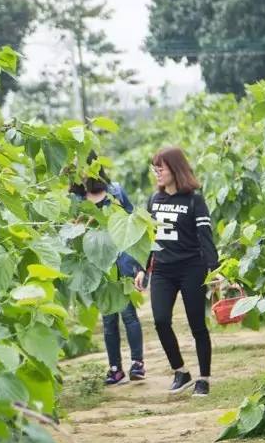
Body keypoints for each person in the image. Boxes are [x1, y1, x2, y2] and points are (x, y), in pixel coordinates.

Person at [133, 146, 218, 396]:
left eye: (162, 168)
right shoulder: (153, 200)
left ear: (175, 169)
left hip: (192, 268)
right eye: (155, 168)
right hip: (162, 270)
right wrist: (141, 269)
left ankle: (203, 378)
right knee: (160, 321)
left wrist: (215, 271)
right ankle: (181, 371)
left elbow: (206, 237)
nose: (157, 172)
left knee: (197, 325)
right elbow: (147, 238)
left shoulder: (194, 200)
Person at [70, 173, 146, 385]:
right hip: (98, 264)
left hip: (121, 260)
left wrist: (139, 266)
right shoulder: (76, 200)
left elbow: (134, 226)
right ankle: (115, 369)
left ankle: (137, 364)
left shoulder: (115, 191)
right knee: (108, 320)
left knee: (129, 314)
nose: (79, 171)